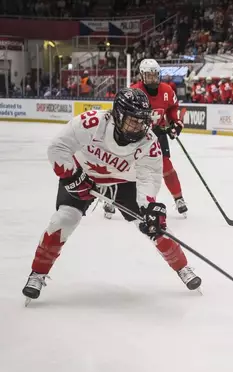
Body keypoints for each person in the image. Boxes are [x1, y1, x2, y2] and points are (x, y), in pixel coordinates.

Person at [22, 88, 202, 304]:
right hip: (83, 176)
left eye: (143, 120)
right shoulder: (91, 123)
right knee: (63, 219)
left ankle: (182, 267)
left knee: (154, 225)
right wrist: (72, 177)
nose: (139, 126)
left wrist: (149, 207)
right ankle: (37, 274)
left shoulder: (149, 142)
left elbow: (149, 178)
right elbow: (57, 148)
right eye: (132, 120)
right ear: (117, 115)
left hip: (123, 182)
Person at [129, 59, 188, 217]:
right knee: (125, 167)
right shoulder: (134, 92)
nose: (152, 79)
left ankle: (179, 199)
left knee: (166, 167)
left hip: (158, 136)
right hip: (136, 136)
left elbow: (173, 109)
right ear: (142, 76)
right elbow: (126, 115)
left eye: (155, 75)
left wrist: (176, 123)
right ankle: (112, 199)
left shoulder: (167, 90)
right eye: (148, 76)